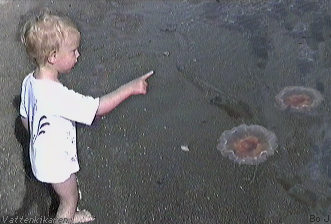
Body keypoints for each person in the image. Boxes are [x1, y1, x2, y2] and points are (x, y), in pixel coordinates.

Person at [20, 11, 153, 223]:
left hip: (41, 156)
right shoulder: (58, 96)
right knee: (70, 199)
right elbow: (97, 108)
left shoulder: (30, 81)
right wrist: (130, 87)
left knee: (62, 190)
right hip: (57, 164)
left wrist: (38, 140)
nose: (78, 55)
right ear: (53, 56)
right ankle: (68, 217)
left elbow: (25, 118)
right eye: (73, 51)